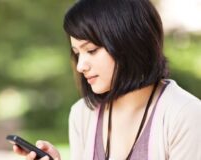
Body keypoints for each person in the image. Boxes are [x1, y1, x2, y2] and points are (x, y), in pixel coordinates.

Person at [12, 0, 201, 159]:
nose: (80, 66)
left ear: (129, 43)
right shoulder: (82, 115)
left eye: (91, 51)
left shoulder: (185, 115)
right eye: (77, 54)